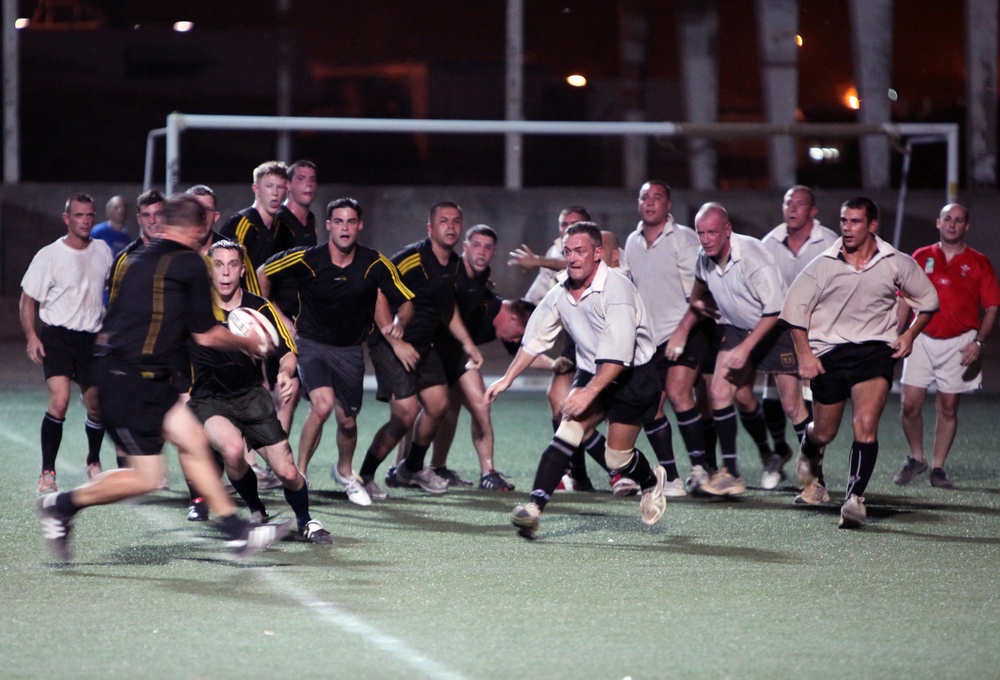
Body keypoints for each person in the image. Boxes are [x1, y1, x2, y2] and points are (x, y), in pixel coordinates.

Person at [36, 195, 292, 562]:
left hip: (141, 375)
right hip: (129, 378)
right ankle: (60, 505)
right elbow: (205, 334)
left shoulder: (137, 258)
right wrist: (248, 341)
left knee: (193, 442)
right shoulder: (189, 262)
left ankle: (237, 533)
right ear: (199, 227)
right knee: (146, 477)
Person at [485, 222, 667, 540]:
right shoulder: (559, 293)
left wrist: (588, 394)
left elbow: (619, 357)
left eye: (580, 251)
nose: (572, 258)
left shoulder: (618, 290)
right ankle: (534, 509)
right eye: (568, 252)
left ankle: (651, 483)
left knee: (616, 457)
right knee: (568, 432)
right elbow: (533, 340)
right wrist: (507, 378)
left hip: (632, 375)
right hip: (592, 370)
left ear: (598, 254)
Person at [781, 197, 938, 529]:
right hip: (829, 354)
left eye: (855, 222)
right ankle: (809, 446)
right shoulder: (822, 263)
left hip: (874, 352)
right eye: (843, 221)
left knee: (865, 422)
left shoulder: (895, 261)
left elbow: (928, 301)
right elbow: (793, 312)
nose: (847, 228)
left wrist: (909, 336)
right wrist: (805, 355)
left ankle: (854, 500)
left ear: (872, 225)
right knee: (825, 431)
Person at [258, 197, 415, 505]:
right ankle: (298, 478)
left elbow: (406, 302)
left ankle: (344, 472)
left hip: (351, 351)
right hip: (311, 344)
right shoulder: (307, 258)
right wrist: (270, 316)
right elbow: (264, 272)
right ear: (328, 226)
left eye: (350, 222)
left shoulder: (374, 263)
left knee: (347, 422)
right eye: (338, 222)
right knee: (321, 405)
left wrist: (399, 322)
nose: (345, 228)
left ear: (359, 226)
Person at [186, 240, 331, 543]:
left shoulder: (259, 306)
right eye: (218, 265)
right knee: (234, 450)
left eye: (232, 265)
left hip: (251, 396)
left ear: (242, 270)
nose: (225, 272)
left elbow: (287, 352)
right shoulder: (195, 307)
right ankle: (256, 510)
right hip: (208, 399)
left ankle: (306, 520)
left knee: (288, 472)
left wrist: (286, 373)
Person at [667, 203, 808, 496]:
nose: (705, 239)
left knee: (792, 407)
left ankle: (814, 475)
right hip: (735, 328)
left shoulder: (753, 257)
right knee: (719, 392)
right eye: (701, 233)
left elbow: (775, 311)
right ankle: (731, 473)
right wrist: (698, 303)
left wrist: (745, 349)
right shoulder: (703, 256)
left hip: (776, 328)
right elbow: (699, 287)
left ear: (728, 230)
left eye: (712, 232)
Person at [357, 202, 483, 497]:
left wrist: (468, 344)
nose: (450, 226)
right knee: (405, 414)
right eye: (443, 221)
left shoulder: (454, 263)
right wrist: (396, 342)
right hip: (389, 342)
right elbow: (376, 293)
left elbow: (446, 308)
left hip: (423, 345)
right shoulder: (411, 259)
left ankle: (410, 469)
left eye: (455, 221)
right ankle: (363, 477)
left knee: (439, 405)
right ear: (430, 228)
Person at [410, 224, 528, 490]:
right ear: (465, 247)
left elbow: (524, 348)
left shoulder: (483, 280)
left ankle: (486, 472)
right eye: (476, 245)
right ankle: (405, 468)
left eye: (487, 247)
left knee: (478, 405)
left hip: (457, 354)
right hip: (428, 348)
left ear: (494, 252)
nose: (481, 251)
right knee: (415, 412)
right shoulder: (450, 270)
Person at [894, 203, 1000, 489]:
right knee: (909, 404)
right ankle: (917, 458)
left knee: (948, 407)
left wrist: (979, 341)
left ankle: (938, 468)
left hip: (961, 342)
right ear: (938, 223)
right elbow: (904, 298)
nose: (952, 224)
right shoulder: (920, 257)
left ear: (966, 227)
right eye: (947, 219)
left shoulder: (979, 262)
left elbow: (991, 308)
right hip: (922, 339)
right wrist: (897, 332)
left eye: (959, 220)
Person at [624, 180, 718, 495]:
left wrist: (682, 329)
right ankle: (672, 479)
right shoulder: (632, 242)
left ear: (669, 204)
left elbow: (702, 291)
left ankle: (701, 470)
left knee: (679, 393)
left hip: (687, 330)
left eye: (657, 198)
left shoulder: (685, 239)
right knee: (651, 407)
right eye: (645, 197)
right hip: (651, 341)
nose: (650, 203)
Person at [510, 207, 611, 492]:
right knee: (559, 401)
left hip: (616, 346)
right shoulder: (558, 254)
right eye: (563, 224)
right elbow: (534, 303)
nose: (567, 228)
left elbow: (595, 270)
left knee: (622, 422)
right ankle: (576, 475)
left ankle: (641, 475)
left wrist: (540, 261)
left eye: (575, 224)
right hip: (577, 344)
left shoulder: (606, 245)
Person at [21, 193, 113, 492]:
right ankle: (48, 472)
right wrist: (32, 336)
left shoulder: (103, 250)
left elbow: (112, 289)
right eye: (79, 216)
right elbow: (27, 299)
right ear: (67, 219)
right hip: (58, 336)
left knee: (96, 406)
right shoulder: (49, 255)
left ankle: (93, 460)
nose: (85, 221)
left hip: (92, 337)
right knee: (59, 402)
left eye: (90, 215)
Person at [759, 186, 838, 487]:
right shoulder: (770, 243)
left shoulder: (829, 242)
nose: (792, 208)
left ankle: (815, 472)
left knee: (816, 407)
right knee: (790, 405)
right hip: (782, 333)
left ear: (813, 211)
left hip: (819, 335)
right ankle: (803, 469)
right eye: (787, 203)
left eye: (800, 203)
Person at [270, 160, 319, 438]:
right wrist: (279, 316)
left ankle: (278, 461)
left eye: (312, 179)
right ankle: (272, 460)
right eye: (301, 178)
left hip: (301, 319)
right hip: (279, 317)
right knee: (283, 389)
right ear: (289, 185)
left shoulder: (309, 221)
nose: (308, 184)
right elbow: (264, 275)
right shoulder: (279, 222)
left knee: (294, 392)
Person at [220, 160, 289, 296]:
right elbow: (230, 269)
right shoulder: (242, 223)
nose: (275, 192)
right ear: (256, 189)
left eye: (280, 187)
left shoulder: (280, 227)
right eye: (269, 186)